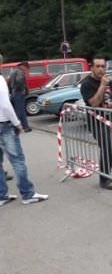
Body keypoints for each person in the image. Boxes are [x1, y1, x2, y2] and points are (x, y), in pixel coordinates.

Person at [0, 54, 48, 206]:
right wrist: (17, 123)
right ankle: (28, 194)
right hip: (4, 124)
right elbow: (6, 106)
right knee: (17, 160)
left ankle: (2, 195)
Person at [80, 57, 112, 190]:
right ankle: (104, 180)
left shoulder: (110, 82)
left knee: (110, 148)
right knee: (107, 147)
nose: (101, 69)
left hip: (110, 121)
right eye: (97, 66)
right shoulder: (87, 84)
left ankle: (107, 175)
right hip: (96, 121)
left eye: (103, 66)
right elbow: (94, 103)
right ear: (92, 68)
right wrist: (102, 86)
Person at [9, 61, 31, 132]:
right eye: (26, 68)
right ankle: (16, 128)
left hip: (13, 93)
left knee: (21, 111)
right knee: (19, 111)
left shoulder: (13, 72)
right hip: (18, 93)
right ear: (23, 66)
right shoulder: (19, 72)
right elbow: (19, 81)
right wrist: (23, 90)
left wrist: (11, 92)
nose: (26, 69)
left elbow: (9, 83)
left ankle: (26, 127)